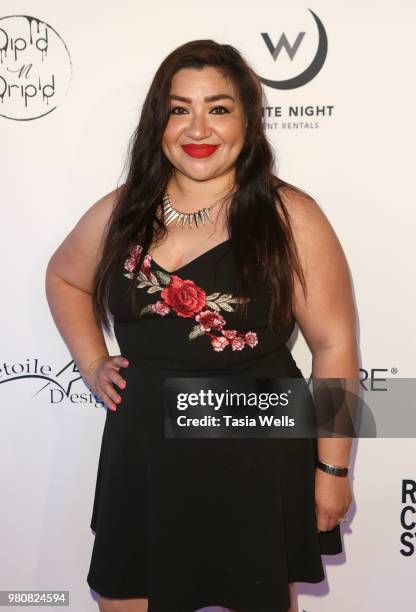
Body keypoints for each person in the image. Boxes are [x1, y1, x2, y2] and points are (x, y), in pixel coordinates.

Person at [45, 39, 357, 612]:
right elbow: (65, 278)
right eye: (178, 108)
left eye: (218, 108)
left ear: (248, 120)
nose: (198, 128)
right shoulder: (124, 212)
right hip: (145, 454)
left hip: (255, 450)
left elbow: (335, 346)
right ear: (158, 121)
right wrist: (92, 361)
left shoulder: (290, 217)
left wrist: (332, 468)